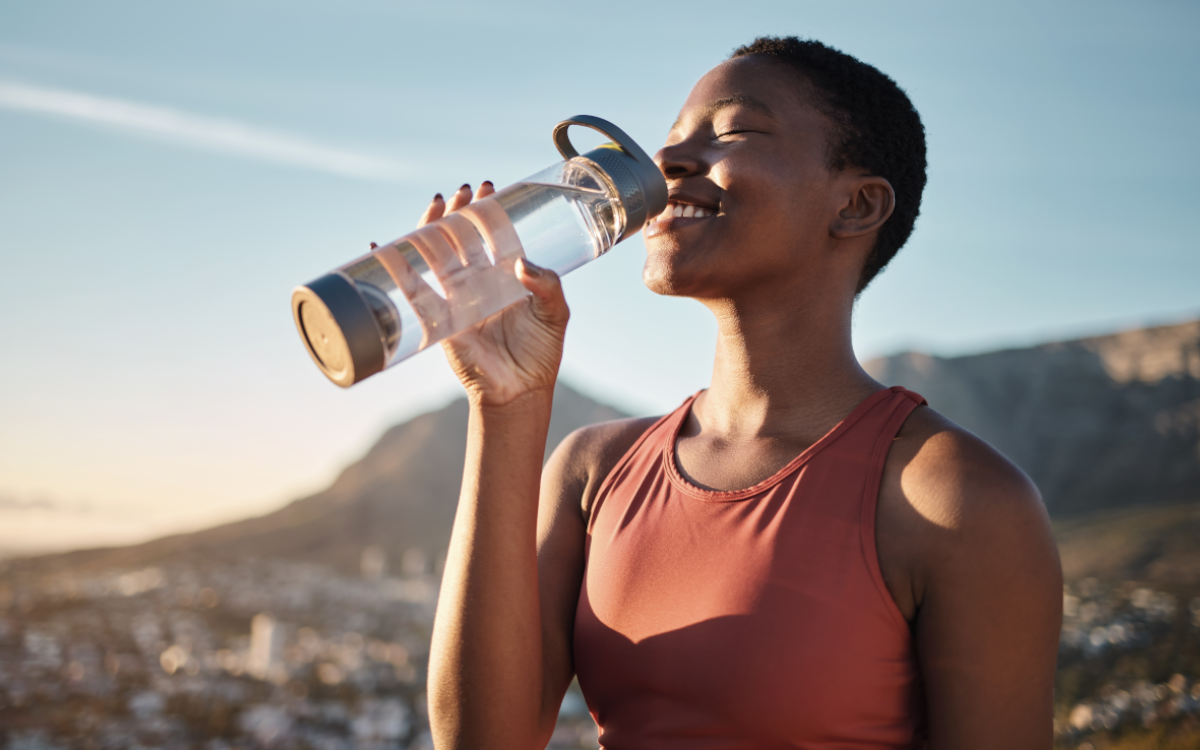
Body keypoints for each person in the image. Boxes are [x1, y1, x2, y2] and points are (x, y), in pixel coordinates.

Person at [423, 36, 1063, 750]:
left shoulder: (956, 499)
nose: (664, 166)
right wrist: (505, 405)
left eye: (734, 132)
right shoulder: (594, 469)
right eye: (670, 143)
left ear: (856, 205)